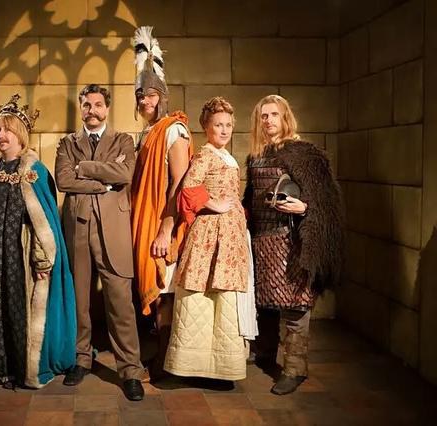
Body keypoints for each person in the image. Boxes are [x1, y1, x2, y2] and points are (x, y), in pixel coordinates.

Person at [0, 94, 76, 389]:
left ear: (19, 134)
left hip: (22, 255)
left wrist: (42, 261)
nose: (0, 135)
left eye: (6, 129)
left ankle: (23, 368)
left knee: (21, 311)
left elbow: (45, 224)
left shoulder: (35, 173)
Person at [244, 95, 343, 395]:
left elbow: (326, 203)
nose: (269, 120)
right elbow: (251, 198)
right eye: (264, 116)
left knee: (296, 304)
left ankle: (295, 368)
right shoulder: (256, 157)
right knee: (265, 302)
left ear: (285, 117)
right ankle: (265, 352)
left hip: (293, 240)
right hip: (263, 239)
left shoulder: (305, 154)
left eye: (274, 114)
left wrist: (304, 208)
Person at [55, 84, 145, 401]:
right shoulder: (67, 143)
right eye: (86, 105)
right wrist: (102, 184)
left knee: (120, 303)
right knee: (79, 302)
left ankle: (130, 371)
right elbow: (64, 180)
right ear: (81, 108)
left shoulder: (123, 141)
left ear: (106, 108)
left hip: (114, 231)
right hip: (78, 229)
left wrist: (86, 169)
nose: (91, 110)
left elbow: (125, 174)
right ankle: (81, 359)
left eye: (97, 105)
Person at [164, 97, 257, 381]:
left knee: (225, 294)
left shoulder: (226, 156)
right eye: (218, 125)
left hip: (229, 236)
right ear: (207, 126)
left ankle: (221, 366)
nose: (224, 130)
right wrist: (213, 204)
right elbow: (188, 188)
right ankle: (193, 364)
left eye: (228, 124)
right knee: (201, 292)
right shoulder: (205, 155)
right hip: (210, 234)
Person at [130, 26, 193, 379]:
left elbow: (180, 184)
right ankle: (159, 355)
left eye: (151, 95)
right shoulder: (147, 132)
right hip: (145, 219)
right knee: (156, 291)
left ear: (163, 96)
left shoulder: (173, 130)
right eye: (140, 95)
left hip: (164, 222)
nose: (145, 101)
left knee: (165, 288)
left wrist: (166, 229)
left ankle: (167, 363)